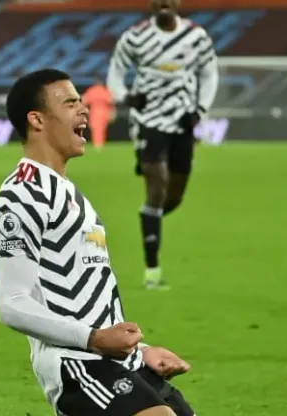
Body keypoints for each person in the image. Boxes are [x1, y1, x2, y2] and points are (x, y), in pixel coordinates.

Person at [0, 69, 196, 416]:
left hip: (114, 359)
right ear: (37, 120)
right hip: (75, 363)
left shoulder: (65, 190)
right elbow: (12, 303)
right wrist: (95, 339)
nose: (84, 109)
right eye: (70, 103)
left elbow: (85, 296)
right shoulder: (21, 196)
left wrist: (140, 350)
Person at [106, 0, 218, 289]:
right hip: (149, 120)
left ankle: (149, 218)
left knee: (174, 196)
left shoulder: (196, 36)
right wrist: (126, 97)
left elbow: (209, 74)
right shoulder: (135, 37)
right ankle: (152, 271)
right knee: (157, 189)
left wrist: (200, 110)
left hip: (182, 121)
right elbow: (115, 72)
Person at [82, 77, 115, 149]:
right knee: (101, 129)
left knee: (96, 128)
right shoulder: (105, 90)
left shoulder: (91, 90)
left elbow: (84, 101)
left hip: (94, 111)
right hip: (104, 112)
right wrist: (112, 113)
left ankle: (98, 144)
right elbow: (111, 102)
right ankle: (100, 144)